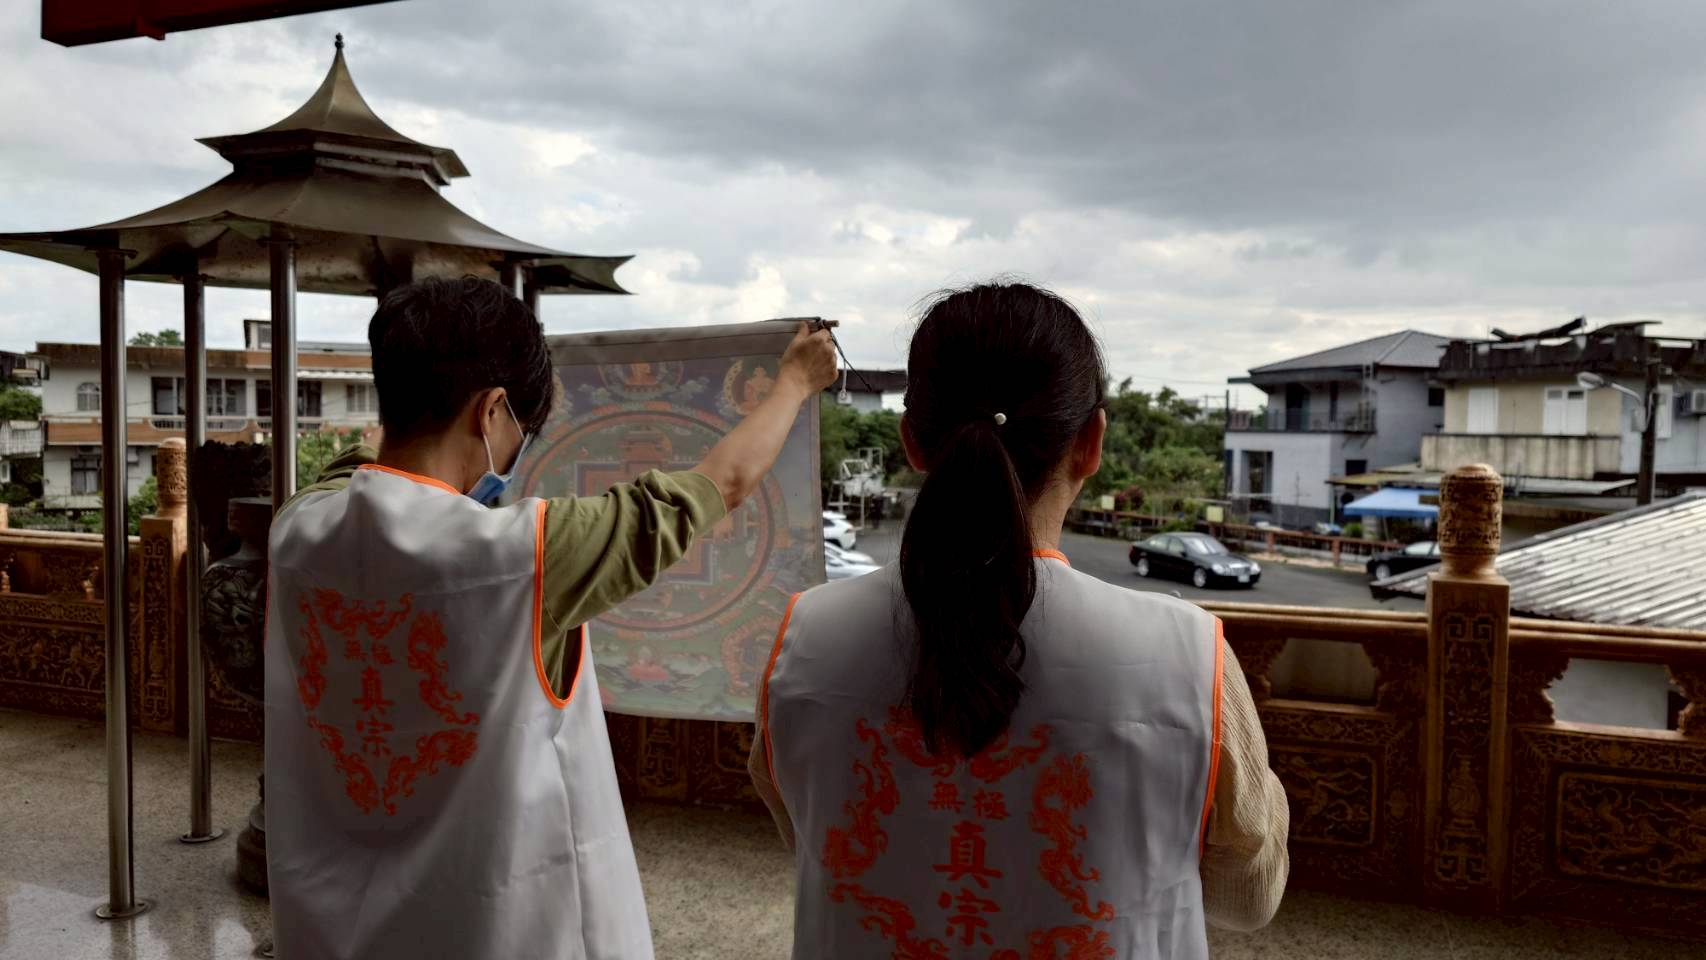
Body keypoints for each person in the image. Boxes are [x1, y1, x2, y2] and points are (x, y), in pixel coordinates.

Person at [264, 277, 837, 960]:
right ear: (491, 410)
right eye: (522, 431)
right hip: (492, 924)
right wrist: (795, 382)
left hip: (334, 921)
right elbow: (722, 483)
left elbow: (363, 469)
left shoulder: (298, 526)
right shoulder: (525, 554)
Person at [750, 281, 1289, 959]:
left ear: (913, 442)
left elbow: (806, 835)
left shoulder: (804, 638)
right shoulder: (1189, 657)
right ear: (1091, 444)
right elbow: (1248, 899)